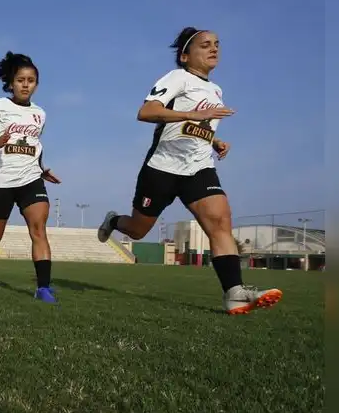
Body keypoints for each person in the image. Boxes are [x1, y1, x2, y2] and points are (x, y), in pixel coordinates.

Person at [96, 26, 282, 315]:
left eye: (217, 44)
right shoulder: (177, 78)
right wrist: (192, 114)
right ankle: (115, 220)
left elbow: (195, 128)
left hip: (198, 168)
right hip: (161, 168)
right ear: (185, 56)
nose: (214, 48)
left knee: (221, 221)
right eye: (205, 44)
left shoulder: (216, 90)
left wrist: (215, 139)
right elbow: (146, 112)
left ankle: (234, 292)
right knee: (138, 230)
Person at [0, 52, 62, 303]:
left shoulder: (40, 114)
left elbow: (34, 145)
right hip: (0, 182)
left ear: (36, 84)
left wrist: (42, 169)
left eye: (31, 80)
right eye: (20, 79)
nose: (25, 84)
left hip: (31, 179)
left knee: (39, 229)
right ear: (11, 82)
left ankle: (43, 287)